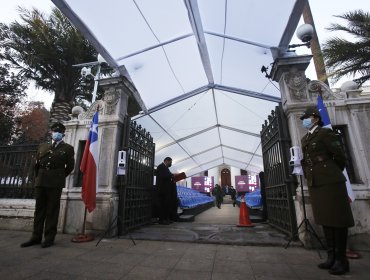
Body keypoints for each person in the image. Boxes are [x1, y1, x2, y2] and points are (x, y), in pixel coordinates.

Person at [300, 107, 354, 275]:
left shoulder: (325, 133)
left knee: (337, 220)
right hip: (315, 181)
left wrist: (330, 171)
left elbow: (340, 156)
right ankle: (331, 257)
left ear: (315, 118)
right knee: (325, 219)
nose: (304, 121)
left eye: (307, 117)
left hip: (330, 179)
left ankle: (341, 260)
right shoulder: (305, 138)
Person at [21, 122, 75, 248]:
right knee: (39, 210)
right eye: (55, 131)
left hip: (55, 183)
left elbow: (70, 167)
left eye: (60, 132)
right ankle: (36, 237)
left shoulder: (67, 148)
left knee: (52, 211)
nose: (57, 133)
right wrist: (37, 178)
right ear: (51, 132)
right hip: (41, 181)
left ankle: (49, 238)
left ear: (63, 134)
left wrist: (58, 176)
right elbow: (36, 165)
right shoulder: (42, 146)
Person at [156, 157, 174, 224]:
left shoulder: (166, 168)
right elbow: (163, 176)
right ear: (166, 161)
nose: (171, 163)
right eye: (170, 162)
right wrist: (171, 175)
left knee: (166, 205)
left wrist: (172, 176)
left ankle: (166, 219)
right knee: (162, 205)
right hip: (162, 190)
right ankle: (162, 220)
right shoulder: (161, 167)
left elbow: (168, 176)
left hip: (166, 190)